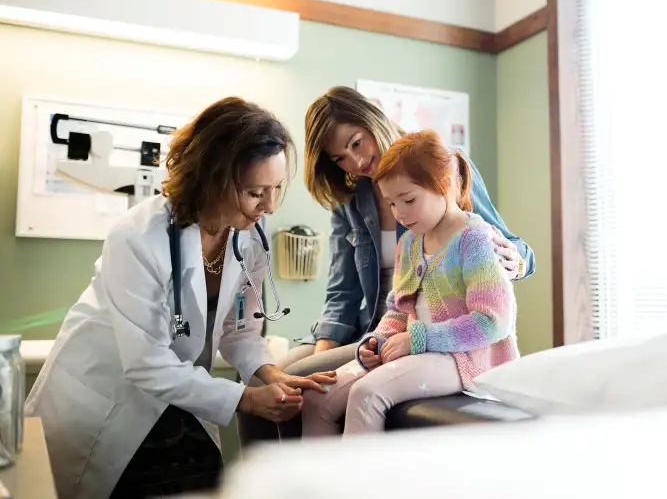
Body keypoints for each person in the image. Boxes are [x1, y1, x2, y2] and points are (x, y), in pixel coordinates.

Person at [24, 97, 336, 499]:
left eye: (276, 189)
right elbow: (146, 363)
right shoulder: (139, 237)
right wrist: (246, 399)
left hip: (178, 401)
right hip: (108, 402)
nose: (270, 205)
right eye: (256, 191)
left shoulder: (248, 236)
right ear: (213, 177)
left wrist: (270, 374)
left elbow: (239, 332)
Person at [237, 85, 533, 443]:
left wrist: (514, 260)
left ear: (372, 120)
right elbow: (343, 286)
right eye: (340, 157)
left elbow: (505, 255)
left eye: (357, 143)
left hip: (429, 331)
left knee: (298, 385)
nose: (356, 162)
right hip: (377, 328)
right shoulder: (354, 200)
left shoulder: (443, 172)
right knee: (259, 380)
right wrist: (328, 344)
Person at [301, 129, 519, 435]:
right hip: (421, 350)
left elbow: (492, 323)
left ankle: (360, 484)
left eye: (408, 200)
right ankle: (317, 483)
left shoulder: (475, 239)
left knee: (367, 394)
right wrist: (375, 341)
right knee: (316, 398)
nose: (399, 214)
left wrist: (417, 339)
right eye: (392, 204)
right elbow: (399, 311)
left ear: (442, 186)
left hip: (465, 357)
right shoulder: (411, 244)